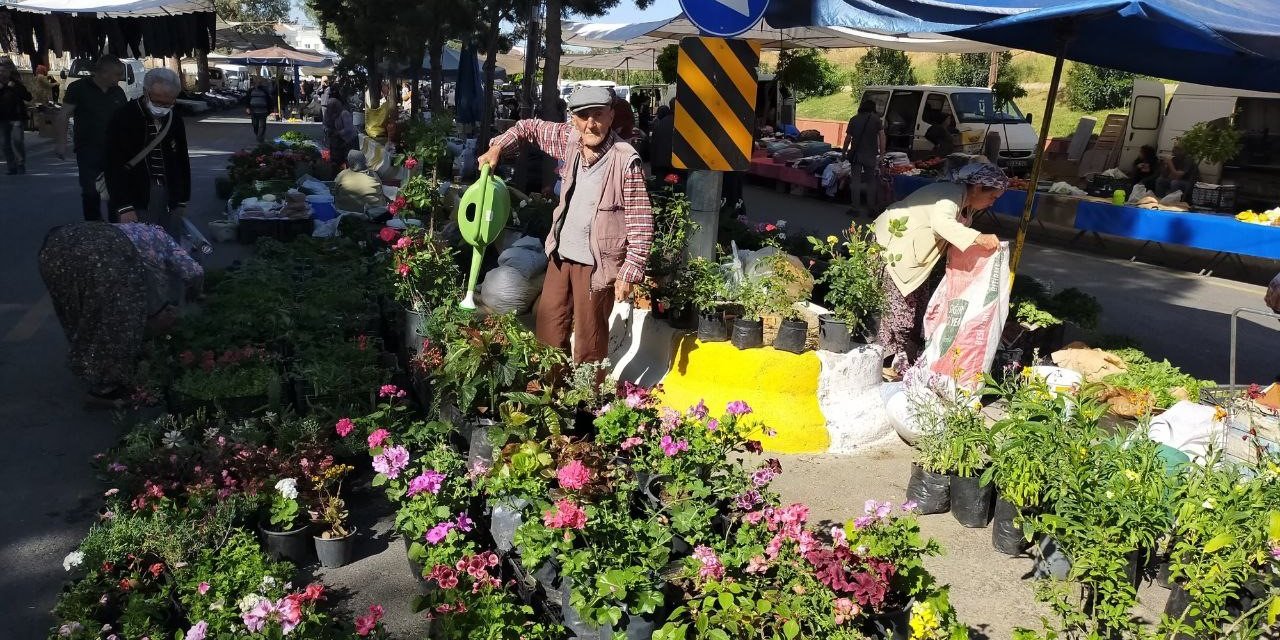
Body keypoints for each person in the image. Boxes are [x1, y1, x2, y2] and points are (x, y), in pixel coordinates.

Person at [477, 85, 654, 364]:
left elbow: (641, 221)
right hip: (561, 257)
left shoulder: (624, 159)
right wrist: (498, 147)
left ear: (610, 116)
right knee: (549, 329)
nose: (591, 124)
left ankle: (586, 401)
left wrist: (629, 271)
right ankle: (551, 396)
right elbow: (527, 128)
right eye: (583, 116)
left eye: (598, 115)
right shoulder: (570, 139)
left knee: (589, 341)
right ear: (573, 118)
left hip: (596, 264)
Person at [40, 221, 203, 408]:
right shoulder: (164, 244)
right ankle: (105, 388)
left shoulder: (138, 230)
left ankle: (87, 362)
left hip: (55, 247)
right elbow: (194, 272)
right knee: (119, 321)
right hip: (105, 254)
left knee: (79, 311)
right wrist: (194, 293)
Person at [872, 162, 1005, 377]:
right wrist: (979, 238)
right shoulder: (950, 195)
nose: (992, 203)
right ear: (979, 187)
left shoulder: (965, 203)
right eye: (992, 197)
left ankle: (903, 361)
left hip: (916, 257)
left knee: (919, 308)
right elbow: (942, 224)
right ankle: (886, 364)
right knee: (901, 310)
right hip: (895, 249)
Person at [104, 68, 190, 239]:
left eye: (169, 103)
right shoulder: (124, 116)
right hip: (134, 194)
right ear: (145, 92)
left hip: (167, 194)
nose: (162, 108)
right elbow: (113, 163)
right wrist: (124, 207)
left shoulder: (174, 119)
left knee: (167, 245)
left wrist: (181, 199)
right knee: (136, 247)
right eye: (157, 102)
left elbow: (182, 160)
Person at [56, 55, 127, 221]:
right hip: (88, 148)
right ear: (103, 73)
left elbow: (126, 120)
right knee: (90, 191)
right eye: (117, 74)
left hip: (114, 150)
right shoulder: (78, 88)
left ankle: (115, 229)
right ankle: (93, 228)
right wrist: (61, 143)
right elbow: (64, 115)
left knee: (115, 190)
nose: (120, 78)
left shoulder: (118, 91)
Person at [842, 98, 885, 217]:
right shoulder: (876, 120)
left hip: (856, 155)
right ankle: (871, 209)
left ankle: (855, 208)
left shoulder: (854, 119)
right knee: (871, 181)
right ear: (873, 109)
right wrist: (882, 154)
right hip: (871, 155)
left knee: (855, 181)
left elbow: (847, 139)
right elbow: (882, 137)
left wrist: (843, 152)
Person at [0, 59, 31, 175]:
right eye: (0, 71)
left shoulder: (16, 83)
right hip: (2, 119)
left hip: (16, 118)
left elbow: (28, 97)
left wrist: (14, 87)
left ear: (9, 71)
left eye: (3, 71)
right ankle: (11, 167)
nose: (1, 73)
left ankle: (21, 163)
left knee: (17, 141)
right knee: (4, 144)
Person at [325, 85, 356, 169]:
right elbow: (326, 124)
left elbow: (349, 129)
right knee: (337, 159)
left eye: (331, 108)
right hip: (339, 141)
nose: (330, 110)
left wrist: (338, 133)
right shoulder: (333, 115)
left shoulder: (344, 113)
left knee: (348, 159)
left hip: (348, 140)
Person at [245, 77, 274, 143]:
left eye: (259, 82)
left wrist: (270, 109)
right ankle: (258, 134)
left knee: (262, 125)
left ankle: (260, 137)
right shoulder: (250, 90)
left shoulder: (265, 91)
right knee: (255, 125)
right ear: (254, 83)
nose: (258, 84)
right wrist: (247, 107)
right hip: (253, 111)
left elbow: (269, 100)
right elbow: (247, 100)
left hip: (263, 111)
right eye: (257, 82)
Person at [648, 104, 674, 177]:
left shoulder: (659, 124)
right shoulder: (678, 122)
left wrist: (653, 166)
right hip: (675, 165)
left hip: (660, 164)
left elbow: (653, 146)